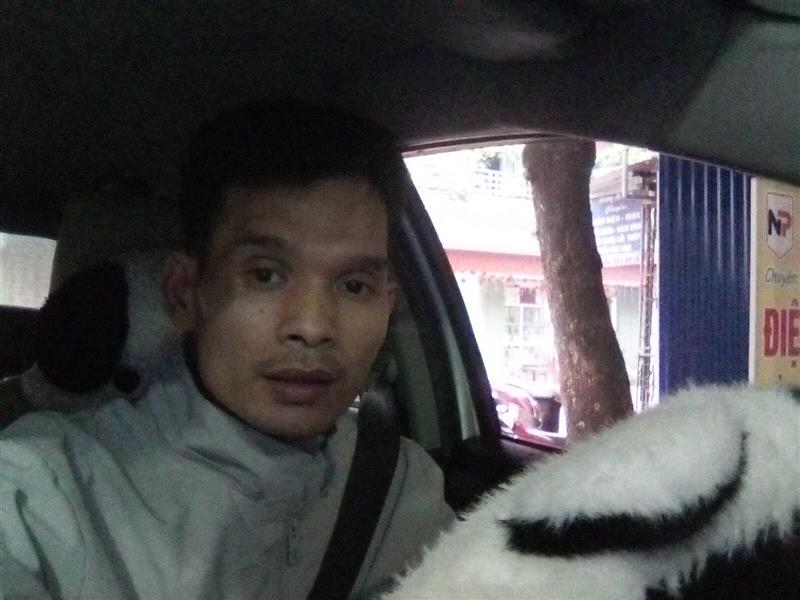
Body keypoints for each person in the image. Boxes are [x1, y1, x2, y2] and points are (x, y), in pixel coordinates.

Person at [0, 100, 453, 599]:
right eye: (265, 275)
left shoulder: (405, 488)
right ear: (183, 293)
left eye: (354, 286)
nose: (313, 327)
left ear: (387, 304)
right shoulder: (39, 491)